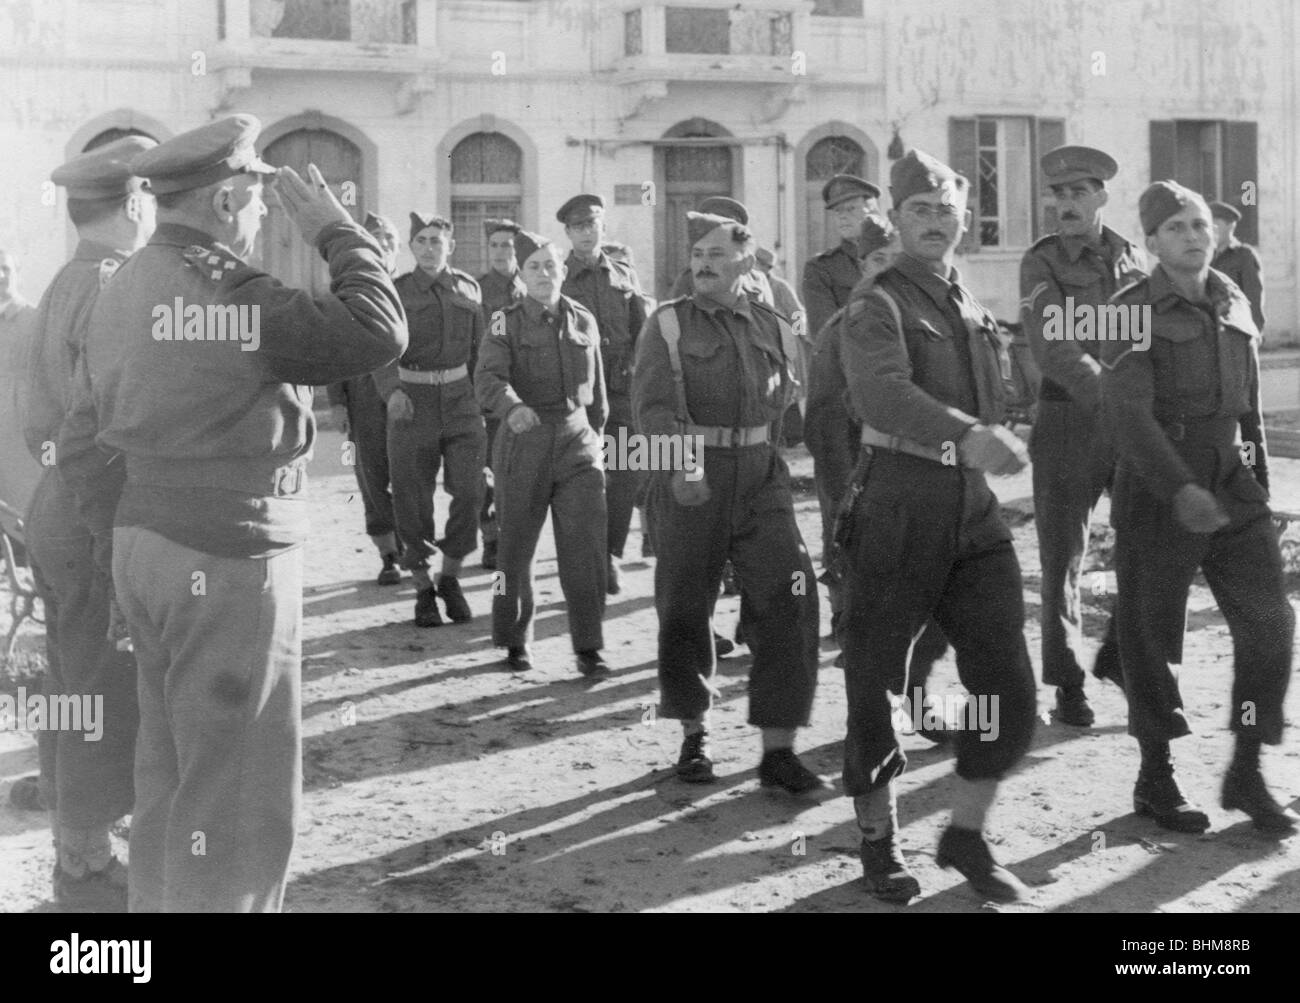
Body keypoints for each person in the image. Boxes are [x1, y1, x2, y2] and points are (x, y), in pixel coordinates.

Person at [56, 113, 408, 911]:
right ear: (222, 203)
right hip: (232, 554)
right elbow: (377, 330)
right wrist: (339, 234)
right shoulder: (228, 288)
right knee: (238, 798)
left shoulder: (120, 286)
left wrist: (120, 547)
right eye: (252, 198)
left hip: (145, 547)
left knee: (169, 778)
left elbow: (79, 442)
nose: (258, 215)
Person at [837, 149, 1037, 903]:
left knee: (1009, 689)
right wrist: (968, 435)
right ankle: (878, 841)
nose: (934, 222)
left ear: (963, 220)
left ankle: (965, 834)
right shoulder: (878, 302)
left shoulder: (967, 303)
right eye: (919, 210)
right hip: (896, 504)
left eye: (946, 211)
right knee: (875, 687)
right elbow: (881, 395)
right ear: (896, 218)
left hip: (971, 514)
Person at [1100, 181, 1295, 835]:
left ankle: (1247, 768)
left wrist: (1259, 484)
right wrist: (1179, 489)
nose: (1193, 235)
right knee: (1150, 636)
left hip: (1232, 484)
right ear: (1152, 241)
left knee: (1270, 623)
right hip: (1159, 488)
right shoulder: (1128, 309)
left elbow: (1250, 404)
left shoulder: (1232, 296)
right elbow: (1128, 414)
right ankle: (1155, 774)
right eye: (1177, 226)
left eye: (1201, 224)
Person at [632, 211, 822, 795]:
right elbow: (651, 411)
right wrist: (683, 465)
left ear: (746, 260)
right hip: (693, 473)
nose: (704, 264)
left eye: (716, 254)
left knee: (792, 595)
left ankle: (778, 750)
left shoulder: (775, 326)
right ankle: (695, 732)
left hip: (761, 474)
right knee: (686, 604)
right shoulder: (667, 324)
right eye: (697, 255)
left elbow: (792, 405)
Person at [17, 137, 155, 911]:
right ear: (134, 202)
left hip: (53, 504)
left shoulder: (63, 280)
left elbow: (38, 416)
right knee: (100, 683)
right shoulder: (111, 285)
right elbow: (101, 424)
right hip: (93, 509)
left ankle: (76, 844)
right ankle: (86, 864)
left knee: (71, 680)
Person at [1019, 145, 1147, 725]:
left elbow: (1146, 340)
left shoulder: (1134, 259)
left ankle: (1119, 657)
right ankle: (1068, 685)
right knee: (1063, 559)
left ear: (1102, 196)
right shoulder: (1042, 262)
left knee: (1145, 547)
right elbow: (1054, 346)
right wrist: (1114, 396)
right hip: (1068, 421)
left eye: (1078, 193)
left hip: (1130, 425)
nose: (1066, 204)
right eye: (1059, 194)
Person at [475, 230, 610, 677]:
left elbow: (598, 394)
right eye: (533, 267)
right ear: (521, 274)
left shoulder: (583, 318)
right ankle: (514, 640)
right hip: (524, 440)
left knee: (585, 548)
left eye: (550, 266)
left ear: (563, 271)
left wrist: (598, 440)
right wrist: (512, 407)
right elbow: (488, 378)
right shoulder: (502, 321)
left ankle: (589, 646)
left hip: (577, 441)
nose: (543, 274)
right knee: (514, 548)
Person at [375, 214, 485, 627]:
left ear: (450, 246)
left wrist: (483, 397)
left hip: (460, 401)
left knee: (472, 491)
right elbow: (382, 347)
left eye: (436, 240)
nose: (428, 247)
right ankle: (422, 587)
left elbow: (482, 350)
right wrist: (392, 391)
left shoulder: (469, 289)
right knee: (411, 496)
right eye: (420, 240)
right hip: (412, 401)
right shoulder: (395, 290)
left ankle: (451, 576)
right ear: (411, 246)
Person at [557, 194, 646, 596]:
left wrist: (638, 368)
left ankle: (610, 554)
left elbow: (641, 329)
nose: (586, 233)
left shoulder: (624, 273)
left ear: (603, 228)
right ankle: (586, 557)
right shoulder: (558, 275)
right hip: (580, 391)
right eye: (578, 227)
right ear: (568, 233)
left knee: (625, 473)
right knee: (582, 475)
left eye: (592, 225)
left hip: (622, 389)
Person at [326, 211, 404, 585]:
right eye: (375, 240)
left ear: (398, 248)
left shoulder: (410, 289)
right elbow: (335, 349)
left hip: (407, 394)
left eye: (390, 240)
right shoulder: (351, 291)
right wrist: (337, 402)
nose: (383, 246)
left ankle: (413, 546)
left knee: (409, 473)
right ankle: (388, 553)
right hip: (363, 395)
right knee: (371, 476)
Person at [477, 218, 528, 571]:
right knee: (487, 472)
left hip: (525, 395)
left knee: (520, 471)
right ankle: (490, 538)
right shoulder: (477, 290)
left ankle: (515, 538)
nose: (500, 252)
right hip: (489, 395)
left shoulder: (529, 288)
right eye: (494, 245)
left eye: (507, 245)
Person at [802, 174, 880, 339]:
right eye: (838, 211)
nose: (842, 216)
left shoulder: (895, 258)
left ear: (873, 211)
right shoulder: (820, 268)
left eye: (850, 209)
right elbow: (825, 333)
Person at [1209, 200, 1265, 336]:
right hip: (1211, 331)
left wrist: (1254, 334)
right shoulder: (1207, 256)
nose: (1211, 230)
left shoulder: (1244, 255)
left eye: (1216, 225)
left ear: (1230, 225)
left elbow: (1254, 300)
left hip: (1237, 330)